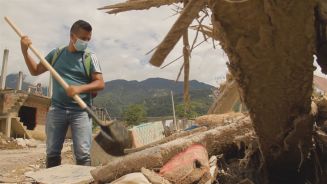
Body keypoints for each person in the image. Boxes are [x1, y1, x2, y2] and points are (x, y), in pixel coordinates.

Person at [20, 20, 104, 167]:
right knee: (52, 152)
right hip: (57, 109)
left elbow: (100, 83)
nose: (86, 42)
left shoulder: (90, 57)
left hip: (81, 111)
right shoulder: (56, 54)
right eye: (83, 38)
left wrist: (79, 89)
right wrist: (24, 51)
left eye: (88, 39)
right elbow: (35, 71)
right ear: (72, 36)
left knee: (83, 153)